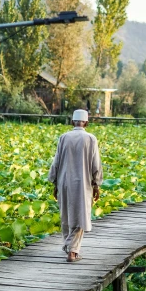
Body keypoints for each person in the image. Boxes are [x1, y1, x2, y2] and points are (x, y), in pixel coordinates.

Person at [48, 109, 103, 262]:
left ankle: (68, 247)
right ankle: (72, 251)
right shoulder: (91, 139)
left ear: (72, 122)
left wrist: (54, 182)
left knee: (65, 214)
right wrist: (97, 184)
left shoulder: (63, 137)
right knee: (81, 216)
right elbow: (95, 164)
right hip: (83, 184)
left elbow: (56, 163)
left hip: (64, 181)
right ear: (86, 122)